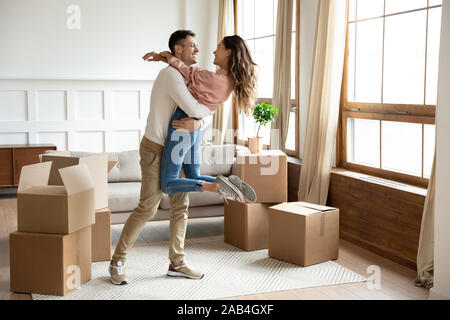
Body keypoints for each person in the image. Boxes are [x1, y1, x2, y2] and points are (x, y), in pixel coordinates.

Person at [108, 30, 241, 285]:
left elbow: (205, 111)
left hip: (177, 145)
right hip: (156, 148)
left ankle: (176, 262)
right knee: (148, 207)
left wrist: (200, 122)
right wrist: (201, 120)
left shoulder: (189, 74)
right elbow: (196, 109)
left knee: (181, 206)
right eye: (192, 45)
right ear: (177, 50)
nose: (198, 50)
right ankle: (118, 261)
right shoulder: (171, 75)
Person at [144, 35, 258, 203]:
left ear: (228, 52)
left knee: (168, 183)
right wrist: (165, 57)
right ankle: (230, 183)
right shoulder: (228, 82)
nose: (213, 51)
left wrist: (166, 57)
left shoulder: (213, 79)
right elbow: (185, 70)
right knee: (194, 175)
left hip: (182, 125)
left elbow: (186, 70)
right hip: (195, 131)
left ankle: (215, 187)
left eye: (218, 47)